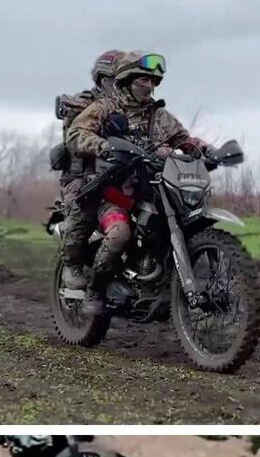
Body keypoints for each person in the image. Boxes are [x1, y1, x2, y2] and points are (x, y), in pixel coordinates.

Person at [64, 51, 211, 312]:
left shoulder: (158, 113)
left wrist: (203, 149)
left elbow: (182, 139)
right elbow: (76, 133)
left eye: (153, 82)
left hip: (151, 185)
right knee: (120, 233)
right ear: (128, 81)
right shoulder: (106, 108)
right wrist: (103, 146)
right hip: (113, 190)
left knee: (179, 220)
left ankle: (165, 283)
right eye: (144, 80)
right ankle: (95, 290)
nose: (149, 86)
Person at [55, 49, 126, 296]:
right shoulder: (86, 103)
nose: (120, 87)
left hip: (119, 175)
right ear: (103, 80)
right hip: (83, 175)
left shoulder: (135, 108)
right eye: (116, 81)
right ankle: (73, 265)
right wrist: (102, 145)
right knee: (85, 203)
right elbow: (74, 137)